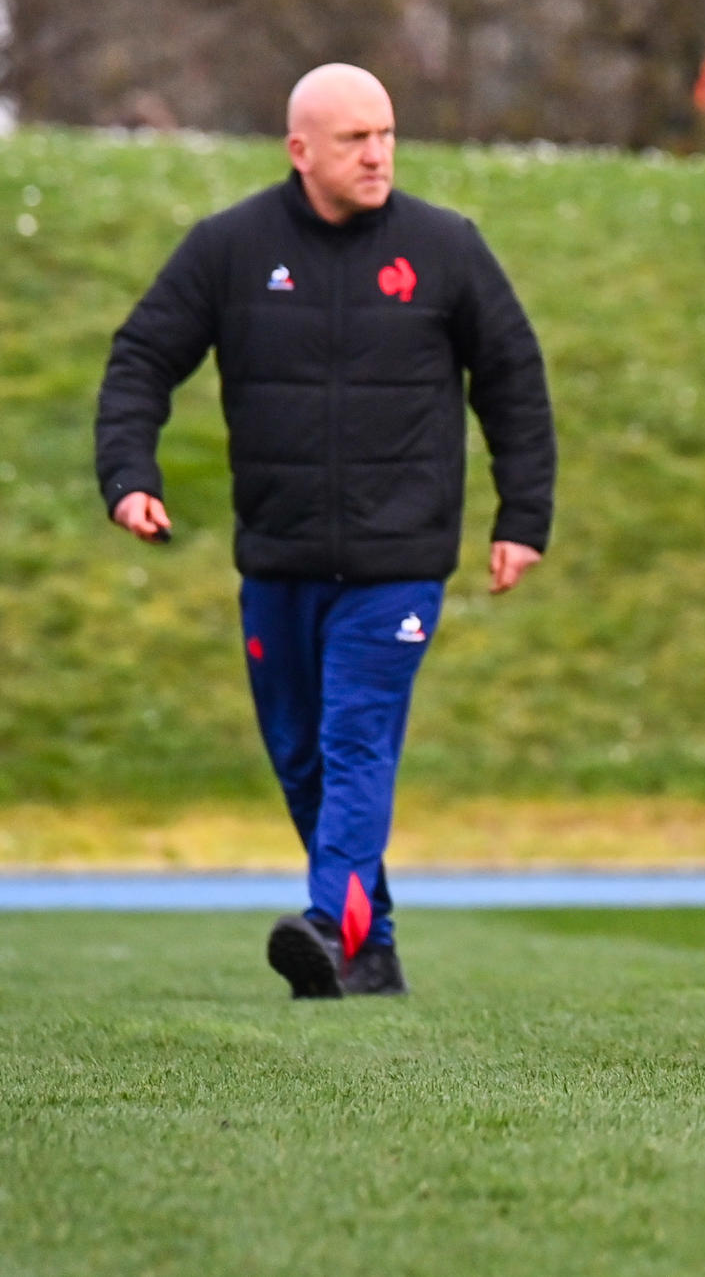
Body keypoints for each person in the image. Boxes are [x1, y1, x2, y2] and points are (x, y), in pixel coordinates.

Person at [94, 64, 556, 999]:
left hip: (398, 564)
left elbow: (513, 381)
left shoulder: (446, 248)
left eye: (386, 133)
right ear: (300, 150)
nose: (378, 153)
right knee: (301, 756)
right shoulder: (229, 249)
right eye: (355, 139)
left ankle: (327, 927)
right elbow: (142, 357)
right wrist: (129, 477)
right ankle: (368, 948)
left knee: (354, 743)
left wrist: (523, 517)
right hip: (277, 558)